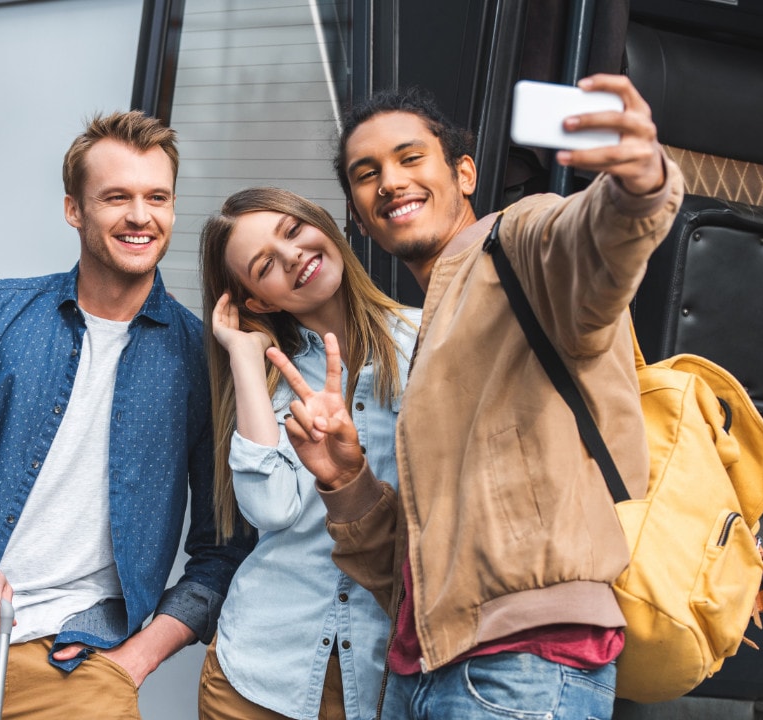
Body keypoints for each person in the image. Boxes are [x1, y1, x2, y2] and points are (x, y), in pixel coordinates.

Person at [267, 75, 683, 719]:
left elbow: (595, 242)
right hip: (423, 673)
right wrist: (345, 476)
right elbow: (411, 576)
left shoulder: (518, 243)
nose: (391, 182)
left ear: (464, 173)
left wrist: (638, 182)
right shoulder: (434, 322)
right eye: (366, 172)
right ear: (358, 212)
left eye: (411, 158)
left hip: (521, 667)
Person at [0, 110, 251, 720]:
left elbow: (221, 548)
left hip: (79, 669)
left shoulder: (200, 361)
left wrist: (135, 661)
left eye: (157, 198)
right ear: (75, 210)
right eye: (116, 197)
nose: (140, 216)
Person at [195, 187, 419, 720]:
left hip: (384, 681)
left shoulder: (425, 340)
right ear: (260, 301)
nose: (292, 255)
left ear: (321, 224)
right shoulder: (272, 380)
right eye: (265, 264)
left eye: (293, 231)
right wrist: (245, 361)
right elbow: (271, 509)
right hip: (258, 679)